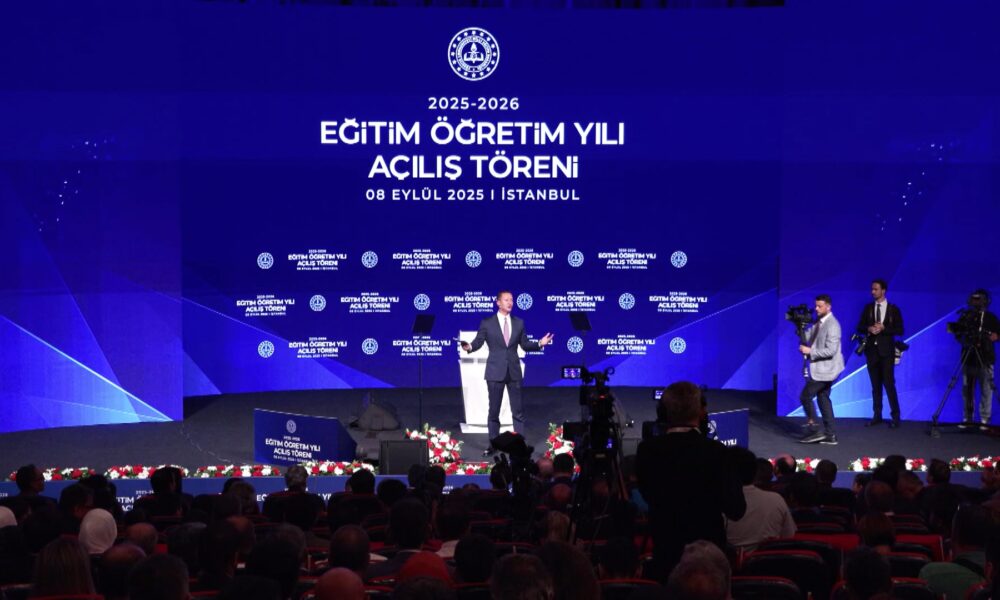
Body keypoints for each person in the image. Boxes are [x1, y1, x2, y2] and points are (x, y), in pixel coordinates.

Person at [636, 381, 746, 581]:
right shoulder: (717, 452)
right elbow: (736, 509)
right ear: (702, 413)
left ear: (663, 413)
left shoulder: (647, 451)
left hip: (666, 556)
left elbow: (647, 494)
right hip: (709, 563)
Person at [460, 290, 554, 454]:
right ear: (498, 302)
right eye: (506, 300)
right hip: (495, 372)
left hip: (514, 372)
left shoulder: (519, 322)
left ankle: (520, 444)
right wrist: (469, 347)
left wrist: (540, 343)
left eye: (511, 300)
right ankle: (493, 444)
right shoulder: (487, 323)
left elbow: (525, 344)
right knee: (494, 411)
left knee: (518, 412)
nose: (510, 303)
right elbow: (478, 342)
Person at [726, 447, 796, 551]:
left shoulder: (718, 502)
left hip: (729, 559)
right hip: (769, 558)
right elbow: (789, 536)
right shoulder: (776, 500)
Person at [857, 279, 904, 428]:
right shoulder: (868, 308)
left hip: (887, 353)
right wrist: (869, 328)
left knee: (889, 384)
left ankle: (895, 417)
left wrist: (884, 328)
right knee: (875, 386)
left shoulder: (893, 309)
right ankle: (877, 415)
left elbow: (900, 330)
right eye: (872, 289)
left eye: (875, 289)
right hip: (872, 352)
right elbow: (860, 326)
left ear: (883, 290)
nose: (872, 292)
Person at [799, 294, 845, 445]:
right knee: (823, 398)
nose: (816, 309)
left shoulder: (833, 325)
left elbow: (831, 351)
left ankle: (815, 428)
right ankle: (830, 435)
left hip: (827, 370)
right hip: (823, 369)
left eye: (820, 306)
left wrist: (809, 351)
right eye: (816, 306)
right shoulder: (819, 322)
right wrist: (799, 327)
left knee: (805, 396)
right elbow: (807, 337)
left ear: (828, 307)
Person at [957, 289, 999, 430]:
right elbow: (958, 334)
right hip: (969, 358)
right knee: (966, 391)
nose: (976, 302)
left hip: (986, 358)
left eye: (978, 299)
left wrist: (996, 336)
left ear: (985, 301)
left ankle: (985, 419)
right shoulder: (966, 316)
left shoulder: (991, 318)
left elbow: (998, 334)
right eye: (974, 299)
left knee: (987, 390)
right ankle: (967, 418)